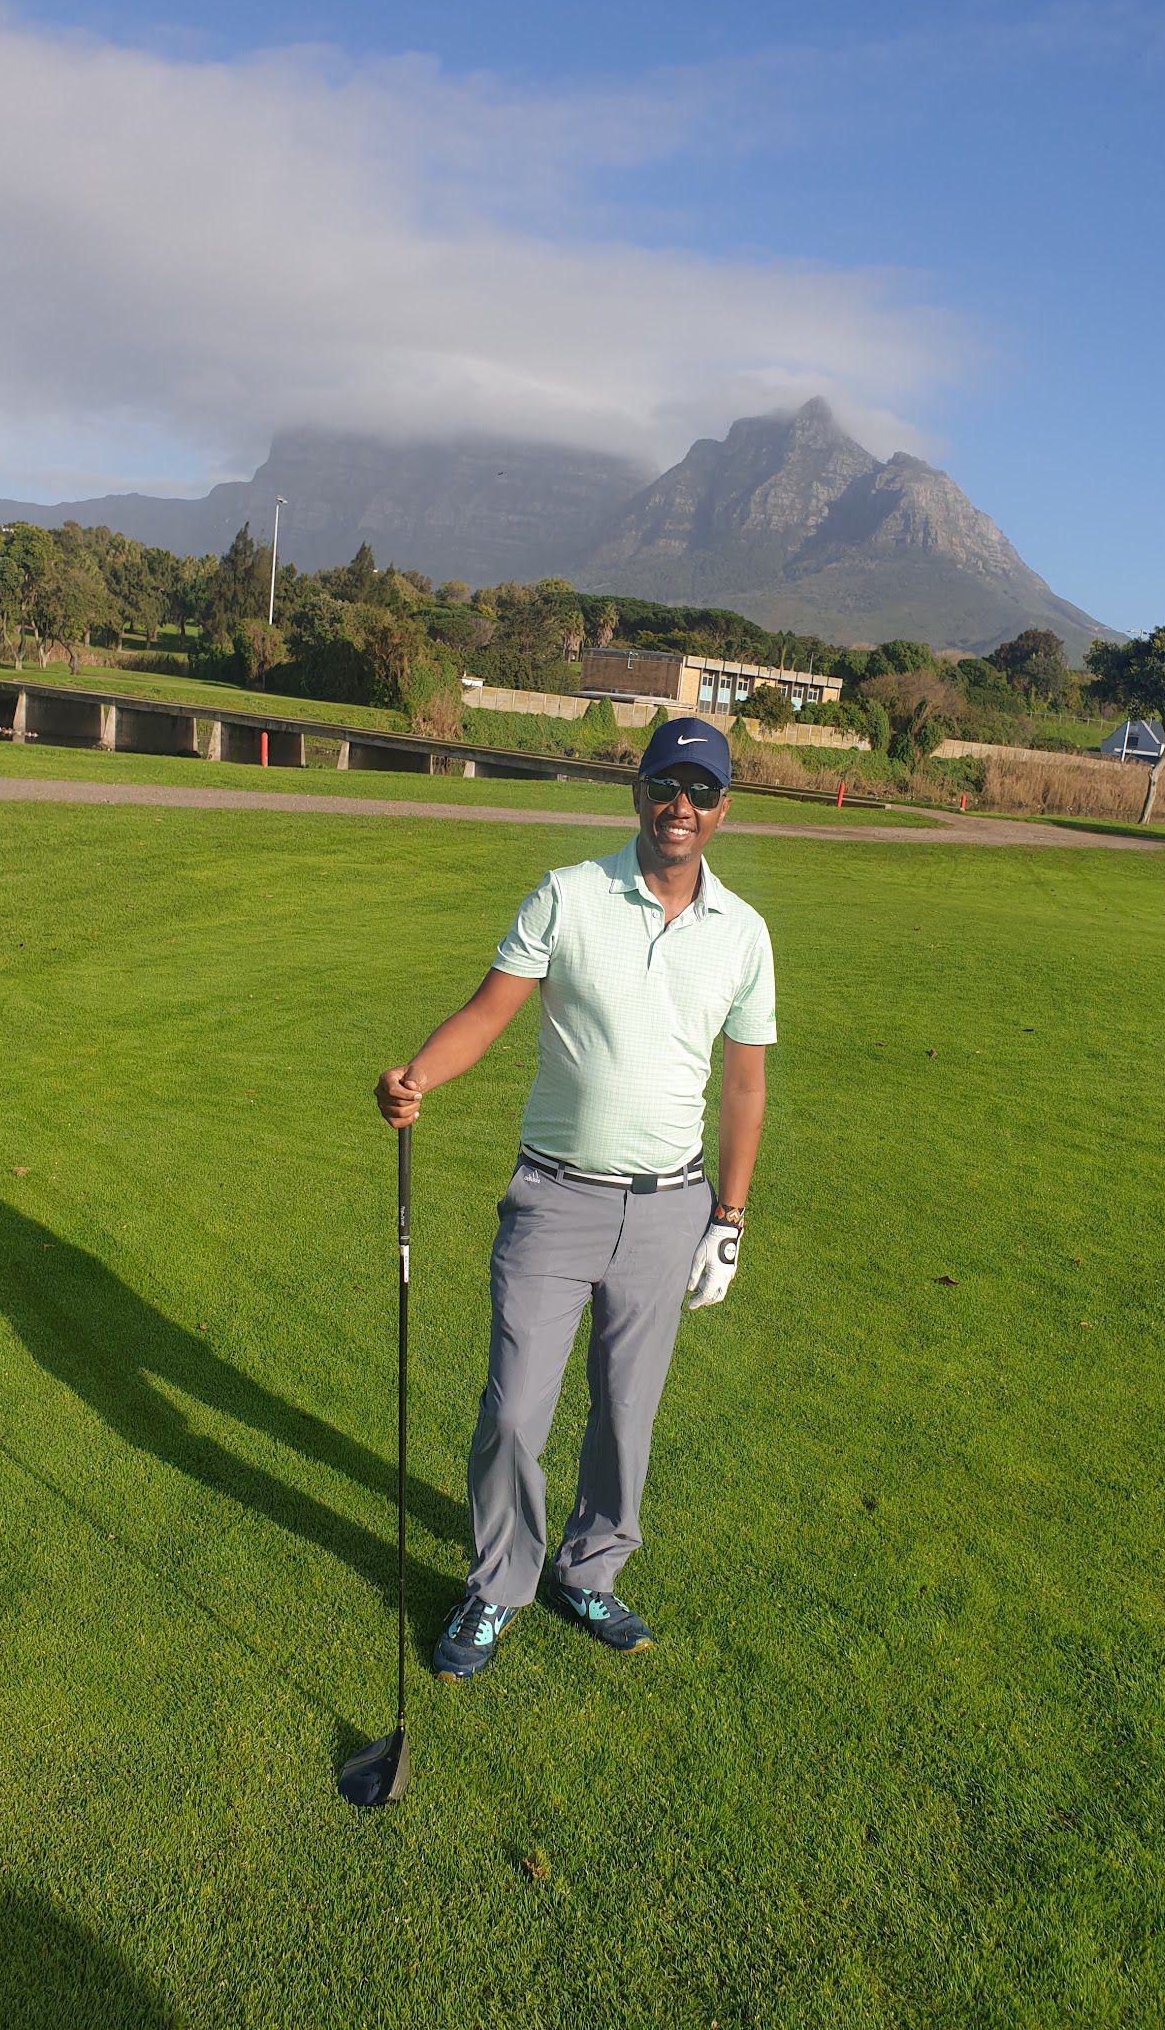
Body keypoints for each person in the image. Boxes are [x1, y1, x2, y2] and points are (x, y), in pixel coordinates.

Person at [374, 716, 776, 1681]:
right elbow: (488, 1012)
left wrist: (730, 1217)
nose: (682, 806)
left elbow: (744, 1083)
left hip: (670, 1205)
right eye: (666, 786)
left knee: (626, 1413)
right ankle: (500, 1583)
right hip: (555, 1198)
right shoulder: (567, 897)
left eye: (702, 791)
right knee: (516, 1409)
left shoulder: (744, 933)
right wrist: (417, 1078)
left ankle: (590, 1567)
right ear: (638, 791)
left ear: (723, 809)